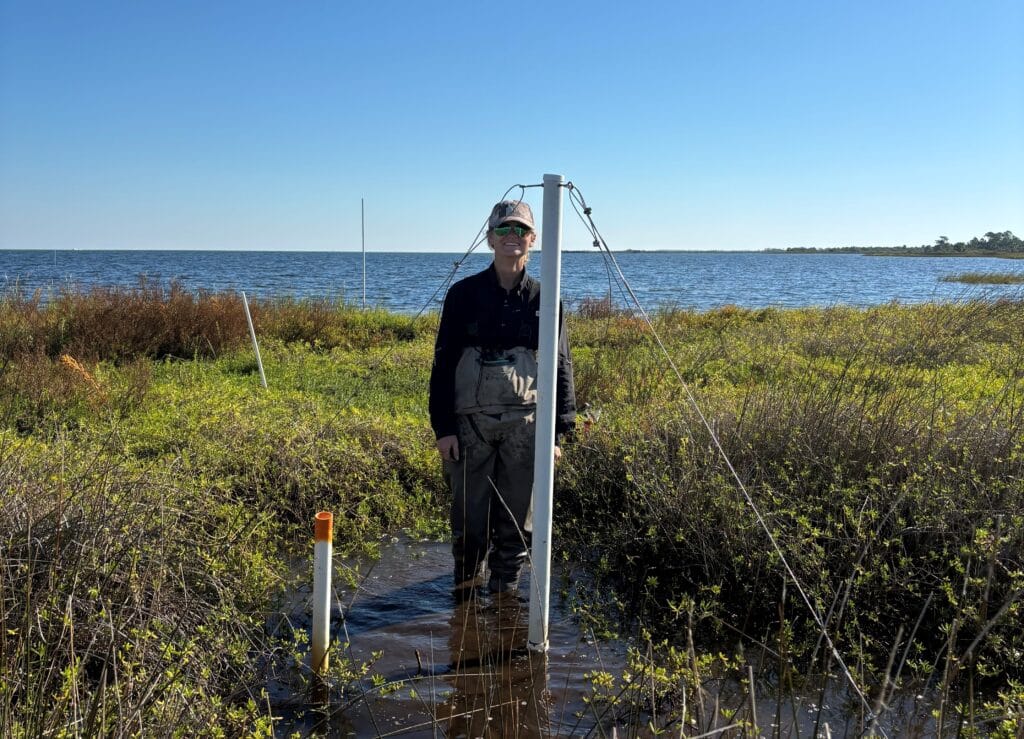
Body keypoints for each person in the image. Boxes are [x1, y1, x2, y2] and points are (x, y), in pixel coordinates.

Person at [429, 199, 576, 598]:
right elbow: (442, 366)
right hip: (468, 427)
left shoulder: (547, 298)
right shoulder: (462, 295)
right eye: (504, 230)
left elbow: (561, 364)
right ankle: (463, 596)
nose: (513, 238)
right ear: (490, 238)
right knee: (468, 518)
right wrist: (444, 429)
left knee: (518, 521)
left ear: (533, 239)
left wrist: (559, 435)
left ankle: (504, 596)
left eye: (521, 231)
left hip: (527, 428)